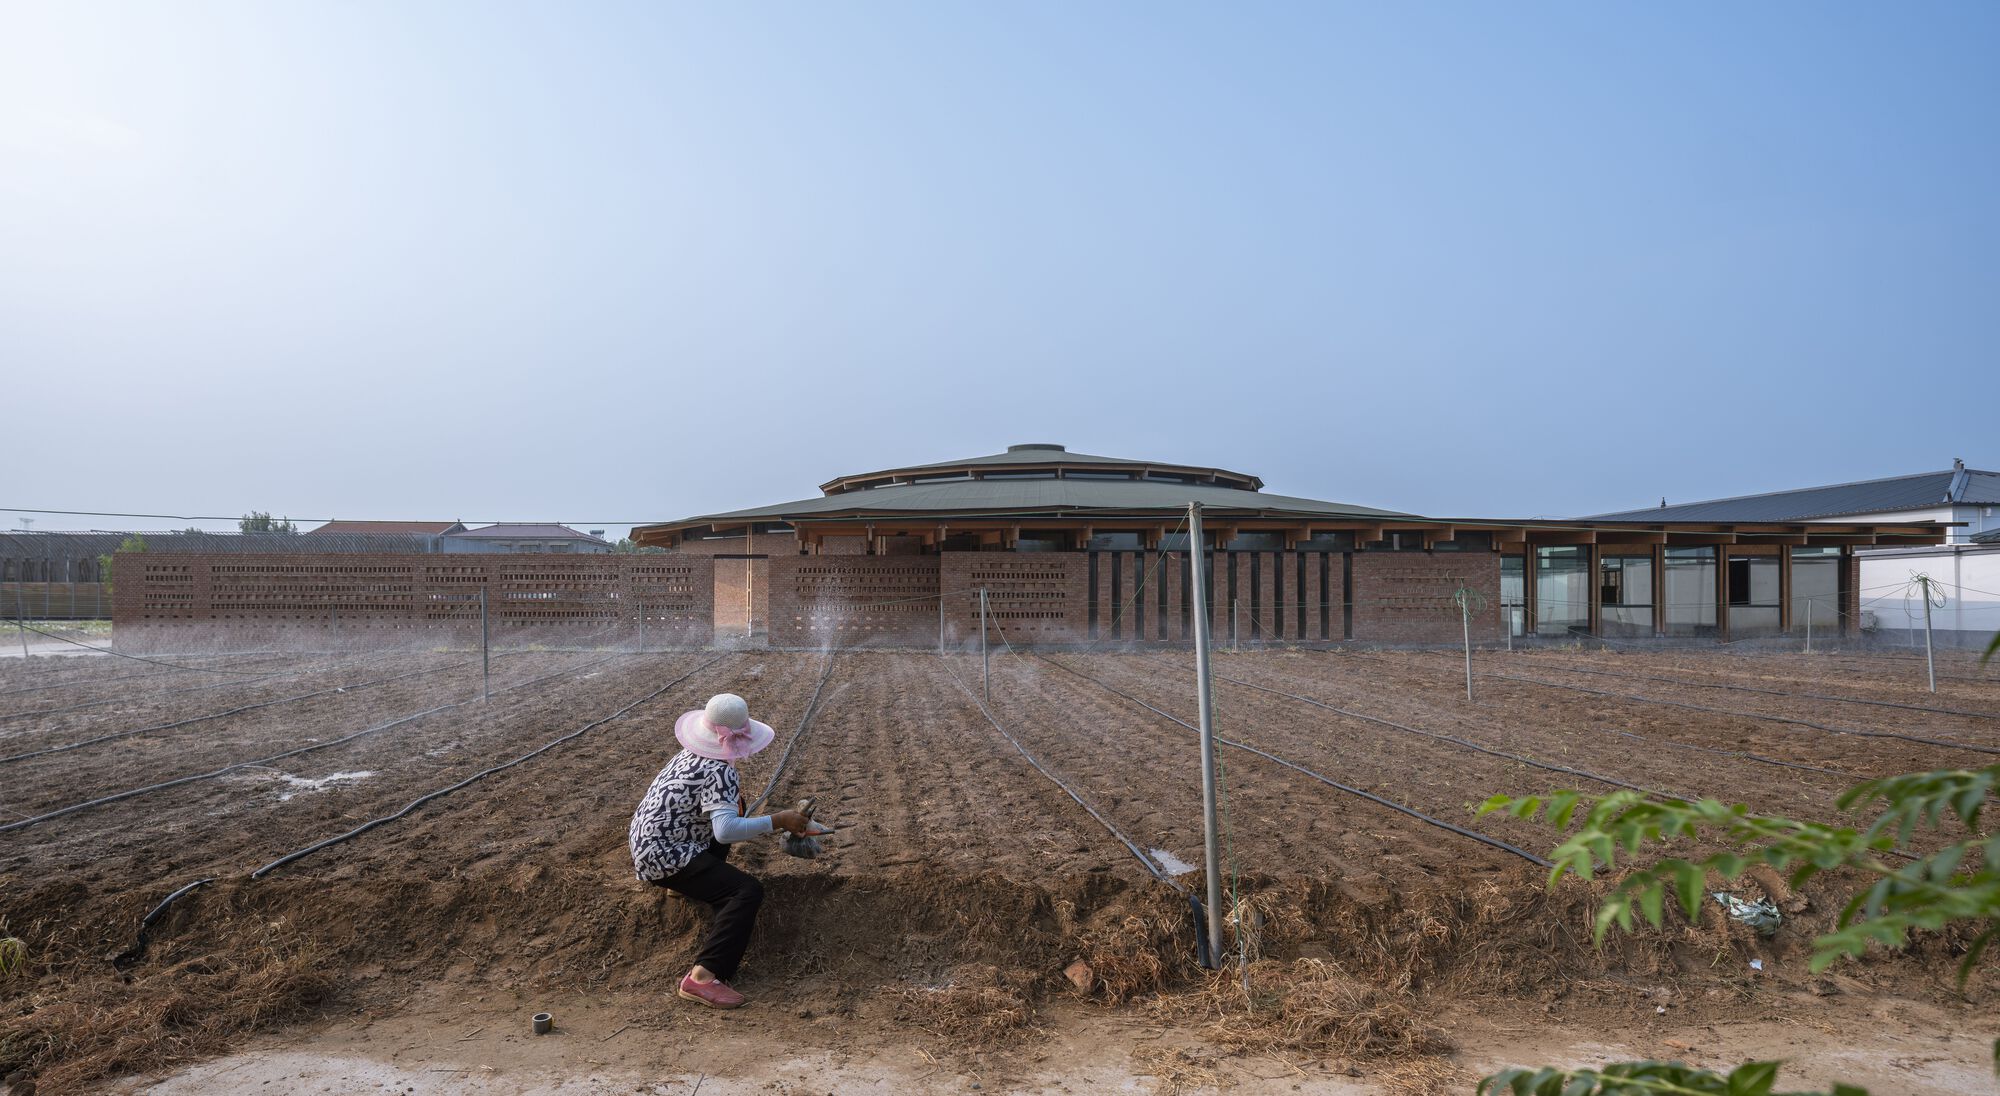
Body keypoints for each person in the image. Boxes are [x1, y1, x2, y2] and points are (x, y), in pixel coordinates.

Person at [629, 692, 815, 1009]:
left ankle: (682, 887)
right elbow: (725, 832)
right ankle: (702, 977)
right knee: (746, 891)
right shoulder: (721, 771)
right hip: (665, 855)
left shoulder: (687, 755)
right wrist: (779, 820)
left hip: (646, 841)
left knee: (732, 812)